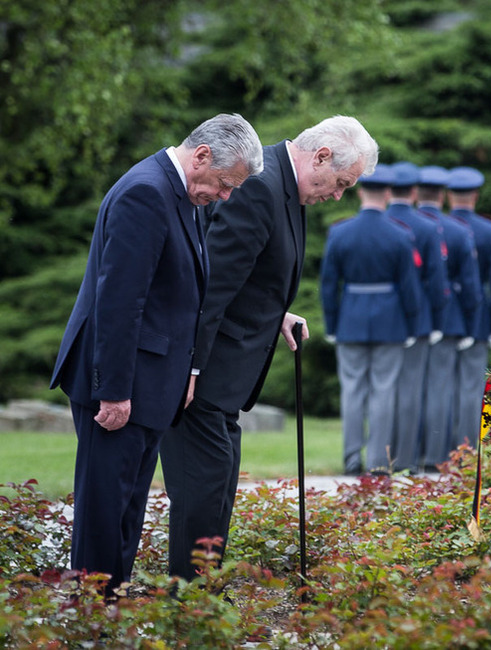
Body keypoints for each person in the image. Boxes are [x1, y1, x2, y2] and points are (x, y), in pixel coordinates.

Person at [50, 113, 264, 595]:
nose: (226, 196)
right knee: (104, 518)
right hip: (120, 388)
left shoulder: (181, 191)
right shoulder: (147, 192)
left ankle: (112, 612)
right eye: (226, 184)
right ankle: (90, 620)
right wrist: (114, 392)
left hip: (149, 386)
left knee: (125, 512)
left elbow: (179, 296)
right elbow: (120, 302)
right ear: (203, 155)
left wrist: (185, 370)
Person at [159, 115, 378, 583]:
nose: (337, 195)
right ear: (319, 156)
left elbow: (249, 273)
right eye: (340, 183)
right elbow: (210, 286)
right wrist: (190, 370)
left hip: (226, 381)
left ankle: (202, 596)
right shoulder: (262, 185)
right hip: (204, 376)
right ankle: (189, 602)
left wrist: (276, 313)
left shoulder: (287, 187)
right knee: (203, 489)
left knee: (217, 486)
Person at [321, 163, 424, 476]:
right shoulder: (400, 234)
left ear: (360, 191)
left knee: (352, 391)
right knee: (383, 392)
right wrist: (412, 323)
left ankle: (351, 457)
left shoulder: (339, 232)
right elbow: (409, 286)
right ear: (389, 193)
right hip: (390, 323)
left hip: (350, 319)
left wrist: (332, 324)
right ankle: (378, 461)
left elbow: (328, 284)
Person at [415, 165, 482, 471]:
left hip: (412, 318)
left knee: (419, 388)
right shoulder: (463, 231)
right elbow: (476, 283)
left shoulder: (411, 225)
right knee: (456, 389)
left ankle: (420, 452)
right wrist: (478, 321)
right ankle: (456, 454)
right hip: (452, 316)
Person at [385, 162, 447, 472]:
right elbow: (436, 278)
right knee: (411, 391)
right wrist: (436, 319)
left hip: (381, 317)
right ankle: (407, 459)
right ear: (413, 191)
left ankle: (381, 456)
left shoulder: (380, 221)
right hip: (417, 316)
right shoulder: (425, 226)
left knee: (381, 392)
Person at [446, 167, 491, 449]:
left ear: (448, 196)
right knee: (471, 386)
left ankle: (438, 447)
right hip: (477, 316)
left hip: (441, 315)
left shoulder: (438, 225)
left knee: (439, 383)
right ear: (475, 196)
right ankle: (466, 447)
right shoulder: (489, 230)